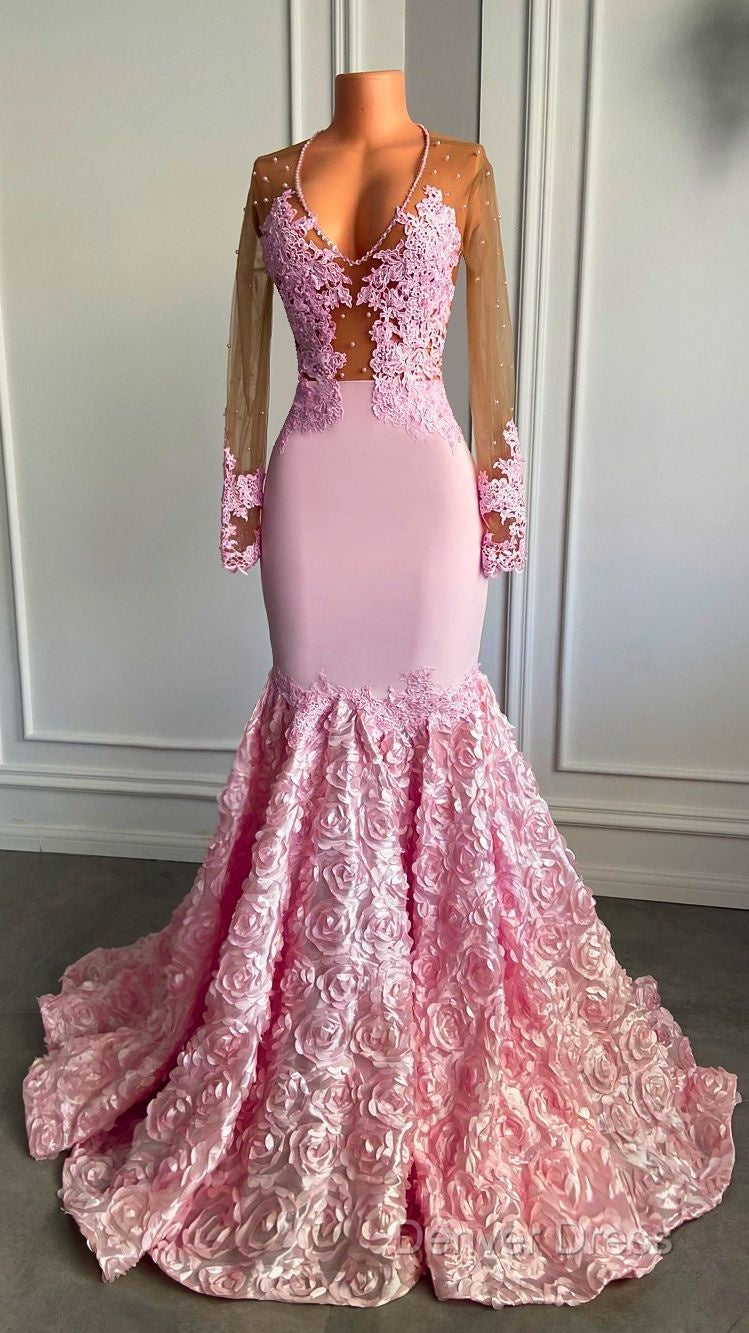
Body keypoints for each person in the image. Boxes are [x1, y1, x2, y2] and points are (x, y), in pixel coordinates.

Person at [23, 73, 739, 1309]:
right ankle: (313, 1017)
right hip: (313, 483)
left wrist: (499, 509)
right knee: (311, 723)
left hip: (422, 492)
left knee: (435, 728)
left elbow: (489, 355)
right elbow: (248, 359)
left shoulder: (462, 168)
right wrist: (242, 497)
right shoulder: (270, 176)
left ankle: (439, 1021)